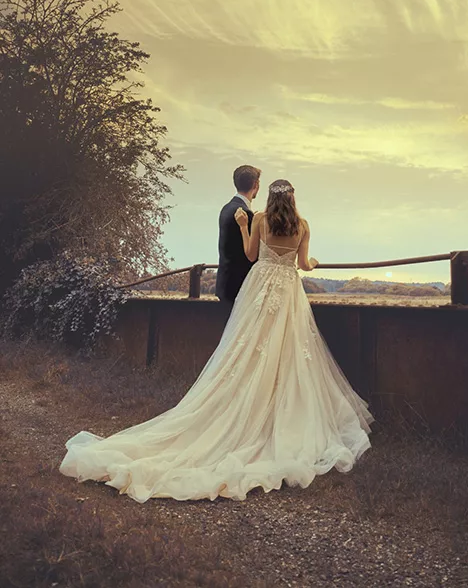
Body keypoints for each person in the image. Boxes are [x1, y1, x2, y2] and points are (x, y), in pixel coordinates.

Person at [58, 178, 373, 503]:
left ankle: (247, 405)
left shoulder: (261, 219)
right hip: (288, 291)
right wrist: (315, 262)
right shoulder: (303, 225)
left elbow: (251, 255)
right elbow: (305, 265)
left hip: (260, 286)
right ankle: (275, 413)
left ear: (270, 197)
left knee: (247, 349)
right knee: (286, 352)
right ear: (293, 199)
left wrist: (241, 226)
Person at [215, 164, 261, 317]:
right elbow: (251, 253)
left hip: (225, 283)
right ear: (256, 185)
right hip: (239, 286)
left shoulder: (226, 208)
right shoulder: (245, 213)